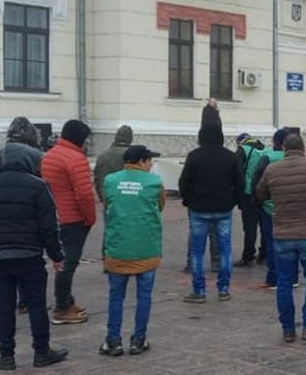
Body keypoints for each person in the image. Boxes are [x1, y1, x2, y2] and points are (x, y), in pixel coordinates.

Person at [0, 141, 68, 370]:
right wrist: (57, 256)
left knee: (4, 308)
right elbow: (49, 227)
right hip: (30, 256)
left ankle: (6, 355)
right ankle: (42, 351)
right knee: (36, 305)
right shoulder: (38, 186)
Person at [255, 133, 306, 344]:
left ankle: (288, 330)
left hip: (282, 233)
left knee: (284, 282)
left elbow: (260, 194)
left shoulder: (272, 169)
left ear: (283, 148)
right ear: (304, 148)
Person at [99, 146, 165, 357]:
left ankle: (113, 341)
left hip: (118, 248)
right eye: (149, 161)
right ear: (141, 161)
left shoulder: (110, 180)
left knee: (116, 296)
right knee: (144, 296)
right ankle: (138, 339)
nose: (151, 164)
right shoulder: (154, 182)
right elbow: (160, 206)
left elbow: (107, 204)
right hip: (146, 248)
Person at [178, 121, 243, 303]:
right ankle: (223, 289)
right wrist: (234, 201)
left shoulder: (194, 156)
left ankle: (199, 290)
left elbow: (184, 182)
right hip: (223, 208)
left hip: (199, 208)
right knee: (225, 250)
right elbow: (239, 183)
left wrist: (188, 201)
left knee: (197, 252)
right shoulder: (230, 157)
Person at [40, 119, 95, 325]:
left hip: (55, 215)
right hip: (72, 218)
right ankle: (62, 307)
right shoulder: (76, 159)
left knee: (61, 261)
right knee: (68, 263)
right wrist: (90, 219)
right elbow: (84, 195)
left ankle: (66, 301)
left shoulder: (50, 155)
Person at [251, 128, 289, 289]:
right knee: (290, 242)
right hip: (290, 207)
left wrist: (258, 201)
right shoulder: (293, 158)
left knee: (272, 242)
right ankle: (291, 276)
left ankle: (273, 277)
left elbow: (256, 180)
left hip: (270, 207)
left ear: (274, 141)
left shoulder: (267, 157)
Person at [235, 133, 267, 267]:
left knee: (249, 227)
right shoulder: (265, 150)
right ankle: (264, 255)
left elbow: (237, 172)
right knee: (265, 226)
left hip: (248, 193)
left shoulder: (243, 150)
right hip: (264, 193)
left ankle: (248, 256)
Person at [92, 126, 134, 201]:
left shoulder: (103, 155)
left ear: (116, 137)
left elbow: (98, 179)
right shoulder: (132, 156)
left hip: (107, 197)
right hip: (126, 199)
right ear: (130, 139)